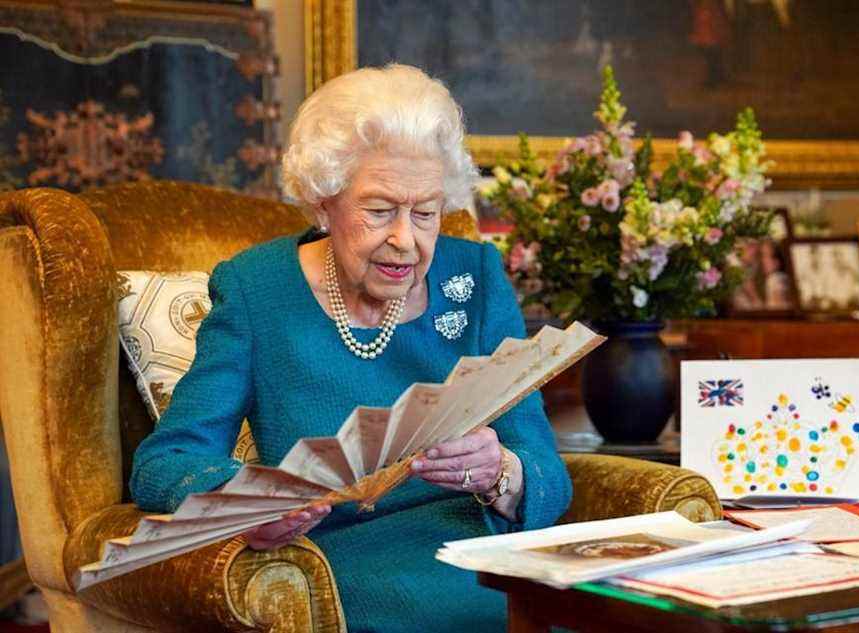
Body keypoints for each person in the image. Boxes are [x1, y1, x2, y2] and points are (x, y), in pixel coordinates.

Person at [130, 64, 572, 632]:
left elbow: (548, 473)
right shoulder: (254, 289)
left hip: (480, 558)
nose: (405, 240)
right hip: (342, 569)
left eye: (426, 213)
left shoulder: (477, 277)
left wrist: (500, 472)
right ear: (323, 201)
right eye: (380, 210)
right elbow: (165, 462)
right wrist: (244, 503)